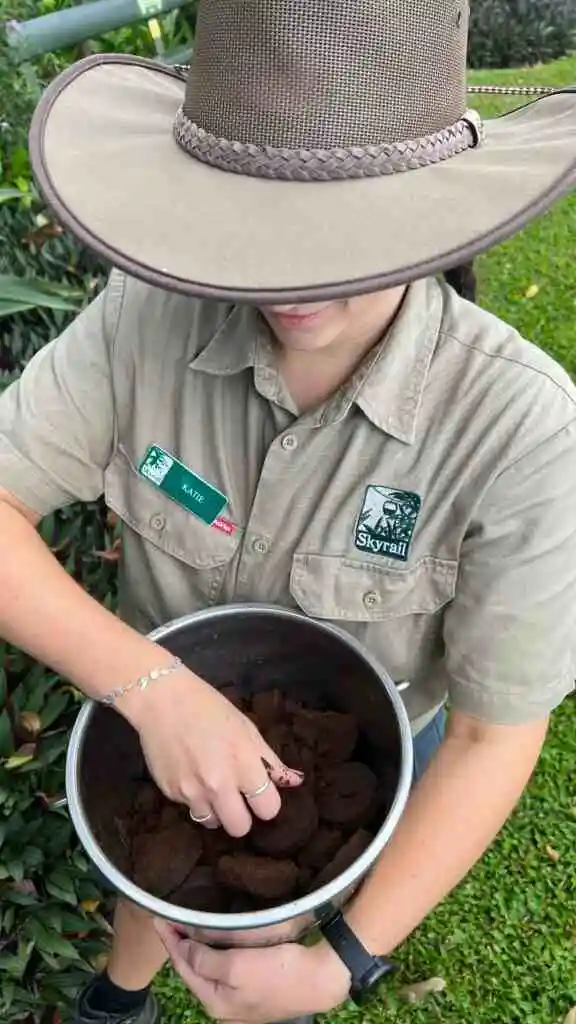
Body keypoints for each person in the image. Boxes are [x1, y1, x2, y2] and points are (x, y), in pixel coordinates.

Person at [3, 1, 576, 1022]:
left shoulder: (523, 430)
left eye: (340, 230)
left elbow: (498, 735)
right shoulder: (144, 317)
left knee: (272, 918)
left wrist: (338, 960)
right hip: (152, 718)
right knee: (163, 857)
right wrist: (153, 687)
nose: (290, 276)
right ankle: (120, 997)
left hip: (367, 739)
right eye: (249, 212)